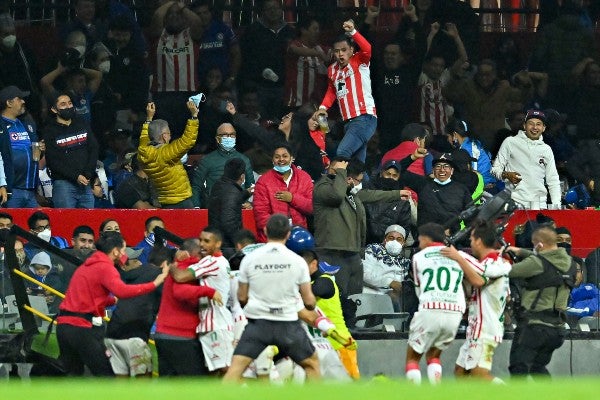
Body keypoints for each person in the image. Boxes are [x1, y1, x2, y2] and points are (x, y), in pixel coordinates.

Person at [56, 231, 169, 376]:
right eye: (123, 250)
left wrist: (112, 300)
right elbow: (122, 291)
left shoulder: (88, 265)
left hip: (64, 326)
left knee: (72, 374)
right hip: (81, 328)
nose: (125, 254)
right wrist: (155, 283)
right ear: (115, 251)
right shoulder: (105, 266)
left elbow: (88, 297)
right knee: (106, 376)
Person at [223, 214, 320, 383]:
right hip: (288, 325)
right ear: (288, 234)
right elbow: (309, 301)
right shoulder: (297, 261)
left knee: (235, 370)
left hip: (258, 324)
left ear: (266, 231)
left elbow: (242, 297)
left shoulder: (249, 259)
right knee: (312, 364)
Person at [313, 157, 408, 324]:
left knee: (353, 299)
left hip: (353, 253)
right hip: (333, 252)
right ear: (346, 176)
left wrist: (396, 194)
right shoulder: (323, 187)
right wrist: (341, 172)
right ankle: (335, 330)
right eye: (356, 180)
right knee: (338, 296)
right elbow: (336, 196)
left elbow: (369, 195)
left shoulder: (350, 192)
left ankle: (353, 330)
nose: (358, 184)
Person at [405, 222, 484, 385]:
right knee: (434, 356)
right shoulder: (458, 255)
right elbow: (481, 274)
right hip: (455, 312)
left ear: (425, 238)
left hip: (430, 308)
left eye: (420, 240)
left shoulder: (418, 257)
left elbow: (419, 288)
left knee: (412, 358)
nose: (419, 244)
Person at [506, 226, 576, 377]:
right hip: (557, 329)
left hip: (534, 326)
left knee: (519, 368)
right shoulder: (570, 264)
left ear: (539, 245)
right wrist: (523, 252)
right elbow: (548, 262)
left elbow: (508, 271)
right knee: (537, 368)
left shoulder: (535, 263)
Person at [169, 227, 234, 375]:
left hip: (217, 325)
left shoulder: (211, 262)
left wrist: (173, 265)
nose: (202, 244)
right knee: (215, 372)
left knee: (227, 371)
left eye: (207, 241)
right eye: (200, 240)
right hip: (214, 324)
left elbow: (180, 277)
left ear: (218, 244)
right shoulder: (220, 261)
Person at [154, 240, 223, 377]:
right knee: (195, 386)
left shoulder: (178, 266)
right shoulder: (189, 267)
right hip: (181, 336)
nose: (202, 257)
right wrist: (208, 291)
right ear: (187, 254)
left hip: (163, 334)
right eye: (200, 253)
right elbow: (180, 292)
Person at [454, 220, 511, 383]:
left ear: (478, 241)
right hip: (478, 327)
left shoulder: (493, 264)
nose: (470, 244)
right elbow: (506, 296)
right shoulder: (499, 264)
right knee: (461, 373)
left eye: (471, 240)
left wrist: (457, 255)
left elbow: (478, 279)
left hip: (486, 329)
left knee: (480, 375)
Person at [314, 19, 376, 163]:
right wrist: (323, 107)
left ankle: (337, 184)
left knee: (342, 153)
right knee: (357, 163)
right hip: (348, 122)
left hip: (364, 117)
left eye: (344, 50)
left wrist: (353, 32)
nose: (340, 54)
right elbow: (331, 91)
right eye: (336, 51)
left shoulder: (360, 60)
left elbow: (368, 48)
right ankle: (362, 184)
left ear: (352, 50)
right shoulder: (332, 70)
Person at [104, 246, 165, 377]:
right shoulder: (157, 274)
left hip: (112, 335)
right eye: (134, 260)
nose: (139, 263)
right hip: (134, 336)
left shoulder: (120, 280)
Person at [491, 109, 561, 209]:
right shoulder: (510, 142)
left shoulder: (546, 149)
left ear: (544, 128)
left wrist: (556, 207)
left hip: (539, 205)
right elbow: (494, 170)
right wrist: (506, 174)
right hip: (514, 204)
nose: (535, 127)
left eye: (538, 124)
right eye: (531, 124)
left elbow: (553, 180)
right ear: (524, 125)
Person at [138, 100, 198, 208]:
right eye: (169, 133)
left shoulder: (143, 153)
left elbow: (143, 138)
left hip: (164, 203)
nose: (170, 136)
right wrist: (194, 117)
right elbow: (187, 141)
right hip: (181, 202)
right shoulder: (166, 153)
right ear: (164, 136)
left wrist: (149, 119)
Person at [43, 92, 99, 208]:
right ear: (54, 109)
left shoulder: (82, 124)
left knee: (88, 223)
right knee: (66, 223)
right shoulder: (49, 131)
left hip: (85, 183)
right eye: (63, 104)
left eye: (70, 103)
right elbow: (53, 161)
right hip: (64, 185)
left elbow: (94, 148)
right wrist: (75, 176)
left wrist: (88, 173)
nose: (68, 107)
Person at [253, 144, 313, 243]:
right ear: (272, 160)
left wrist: (292, 198)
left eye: (285, 156)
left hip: (299, 238)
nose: (281, 159)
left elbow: (311, 206)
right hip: (272, 239)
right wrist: (279, 233)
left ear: (292, 158)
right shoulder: (263, 181)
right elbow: (260, 214)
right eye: (277, 157)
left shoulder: (304, 177)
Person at [190, 123, 255, 208]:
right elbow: (196, 186)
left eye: (232, 135)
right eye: (225, 135)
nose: (229, 137)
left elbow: (251, 186)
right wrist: (196, 207)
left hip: (238, 208)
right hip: (213, 209)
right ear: (217, 139)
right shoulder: (207, 160)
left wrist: (249, 204)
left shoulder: (244, 160)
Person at [0, 85, 39, 207]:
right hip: (12, 190)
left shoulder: (27, 123)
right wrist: (2, 185)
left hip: (30, 189)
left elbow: (34, 151)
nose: (23, 101)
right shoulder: (1, 126)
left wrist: (40, 149)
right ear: (9, 103)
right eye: (19, 99)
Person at [417, 153, 472, 233]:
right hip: (426, 239)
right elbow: (401, 173)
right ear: (433, 170)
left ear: (452, 171)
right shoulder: (422, 185)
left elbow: (471, 218)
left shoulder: (462, 189)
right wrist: (412, 157)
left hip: (452, 239)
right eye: (438, 166)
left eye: (446, 166)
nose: (442, 170)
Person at [362, 225, 413, 312]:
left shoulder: (405, 261)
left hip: (397, 298)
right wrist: (389, 282)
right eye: (391, 238)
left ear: (403, 243)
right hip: (373, 293)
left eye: (399, 239)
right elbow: (363, 274)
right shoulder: (373, 250)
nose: (394, 241)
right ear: (385, 240)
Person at [208, 158, 250, 249]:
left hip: (218, 240)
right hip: (227, 246)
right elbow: (228, 222)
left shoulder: (219, 184)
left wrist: (246, 193)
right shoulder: (232, 192)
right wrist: (239, 242)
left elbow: (226, 200)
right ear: (242, 177)